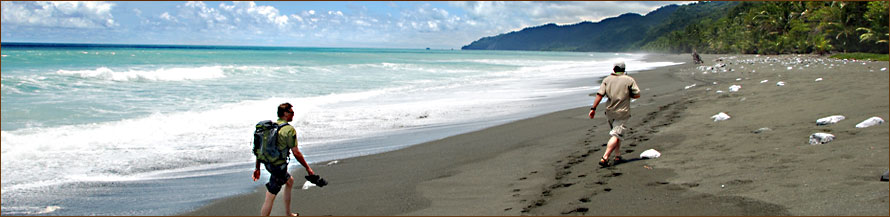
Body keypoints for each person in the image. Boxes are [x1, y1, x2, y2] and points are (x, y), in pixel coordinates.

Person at [252, 102, 316, 216]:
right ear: (285, 113)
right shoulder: (288, 130)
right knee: (270, 195)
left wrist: (257, 168)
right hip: (278, 167)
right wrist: (308, 168)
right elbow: (296, 152)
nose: (293, 115)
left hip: (268, 164)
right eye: (291, 112)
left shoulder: (270, 128)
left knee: (289, 181)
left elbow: (259, 149)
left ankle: (288, 213)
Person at [588, 61, 641, 167]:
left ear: (614, 69)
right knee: (616, 134)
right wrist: (628, 95)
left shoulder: (607, 80)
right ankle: (605, 157)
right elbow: (637, 94)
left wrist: (593, 108)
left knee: (616, 133)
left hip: (609, 111)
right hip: (622, 111)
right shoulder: (629, 80)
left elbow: (600, 95)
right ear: (624, 69)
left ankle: (617, 155)